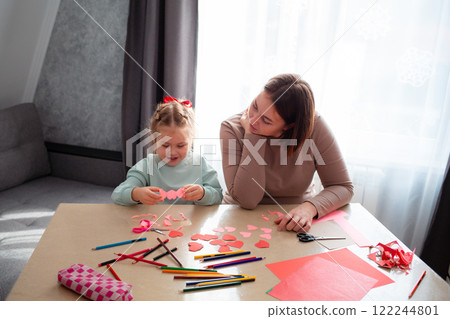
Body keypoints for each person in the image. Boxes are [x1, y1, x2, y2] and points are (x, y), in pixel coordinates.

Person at [220, 74, 353, 232]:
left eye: (266, 120)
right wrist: (253, 137)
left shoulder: (314, 126)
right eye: (255, 106)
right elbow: (247, 200)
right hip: (240, 218)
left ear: (289, 126)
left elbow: (342, 186)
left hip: (294, 218)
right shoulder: (232, 128)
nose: (252, 120)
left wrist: (310, 208)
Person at [112, 97, 223, 206]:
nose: (172, 152)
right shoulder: (147, 165)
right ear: (155, 140)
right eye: (165, 145)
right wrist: (136, 194)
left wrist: (203, 194)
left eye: (180, 145)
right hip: (155, 222)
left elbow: (218, 195)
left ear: (191, 140)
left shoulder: (200, 163)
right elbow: (117, 194)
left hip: (191, 223)